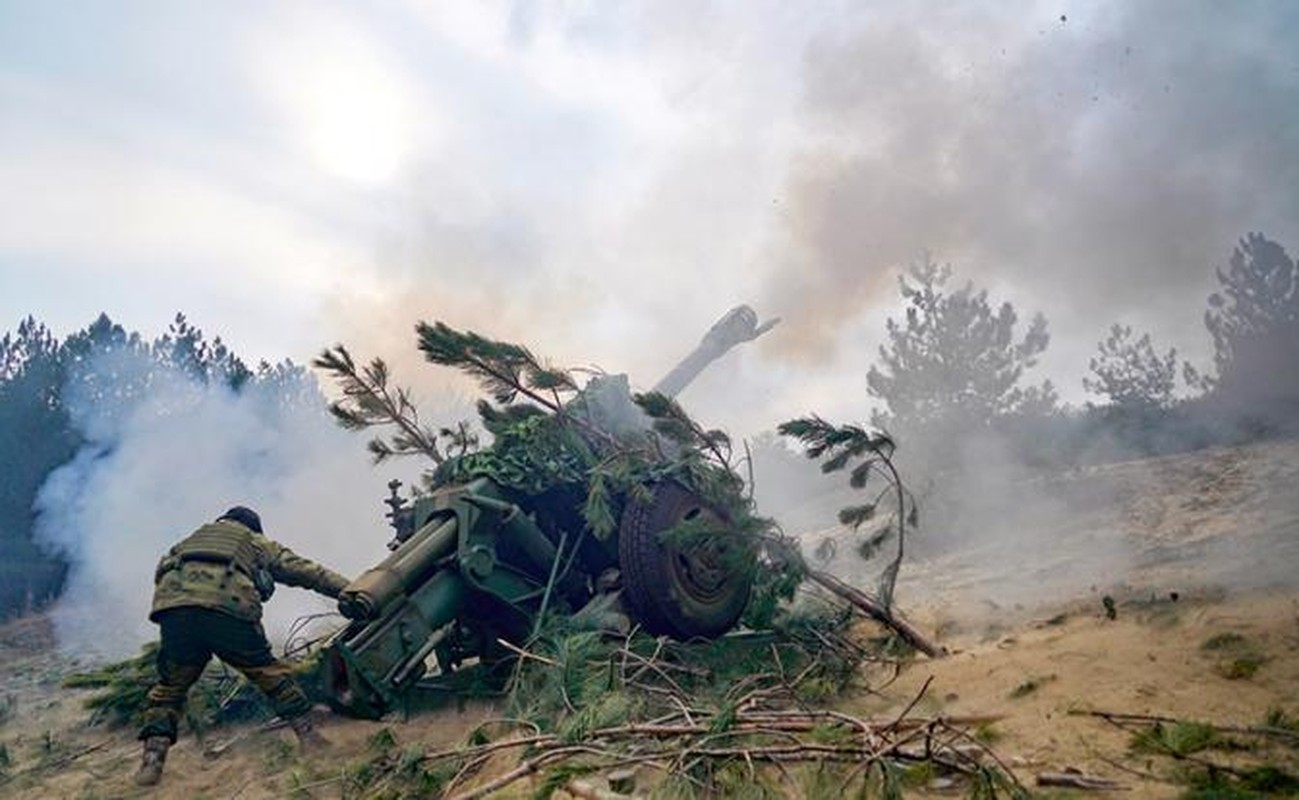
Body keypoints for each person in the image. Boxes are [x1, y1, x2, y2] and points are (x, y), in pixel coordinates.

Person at [134, 505, 351, 787]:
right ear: (252, 527)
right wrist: (350, 590)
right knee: (269, 673)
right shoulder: (253, 541)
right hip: (227, 610)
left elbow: (162, 574)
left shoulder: (189, 542)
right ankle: (309, 737)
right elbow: (305, 571)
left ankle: (152, 760)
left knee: (171, 687)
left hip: (175, 611)